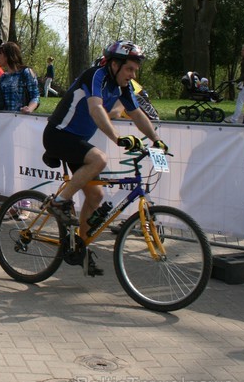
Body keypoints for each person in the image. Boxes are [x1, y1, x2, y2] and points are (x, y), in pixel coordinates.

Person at [42, 40, 167, 276]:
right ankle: (58, 202)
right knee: (99, 158)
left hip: (76, 141)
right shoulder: (95, 76)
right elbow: (96, 109)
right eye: (129, 69)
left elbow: (137, 113)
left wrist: (155, 139)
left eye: (135, 70)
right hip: (58, 134)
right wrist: (118, 138)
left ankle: (80, 248)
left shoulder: (123, 86)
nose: (132, 74)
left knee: (96, 195)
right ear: (115, 64)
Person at [0, 42, 39, 113]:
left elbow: (35, 96)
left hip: (21, 118)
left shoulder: (26, 72)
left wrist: (29, 108)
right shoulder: (3, 77)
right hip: (4, 118)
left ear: (8, 55)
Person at [227, 45, 244, 123]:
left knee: (240, 101)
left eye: (243, 50)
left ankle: (234, 119)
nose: (241, 51)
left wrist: (237, 80)